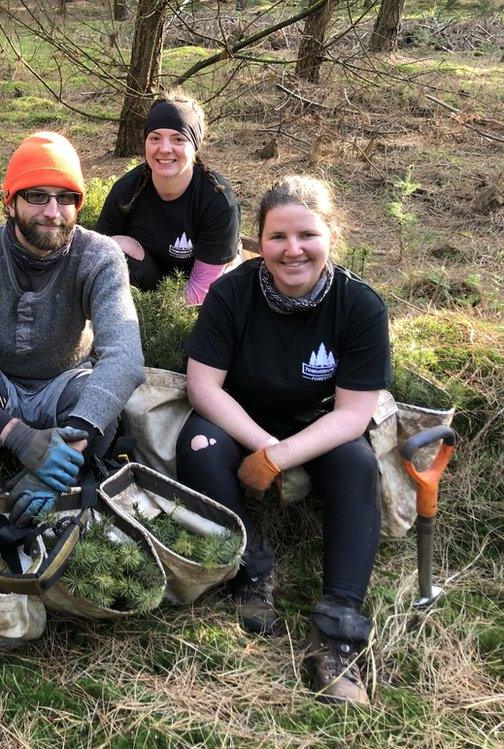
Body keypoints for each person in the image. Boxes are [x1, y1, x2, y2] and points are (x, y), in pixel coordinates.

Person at [175, 176, 391, 705]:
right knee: (197, 444)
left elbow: (353, 414)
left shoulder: (359, 306)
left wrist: (279, 457)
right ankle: (252, 569)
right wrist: (260, 443)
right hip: (240, 418)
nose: (293, 250)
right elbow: (204, 387)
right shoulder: (233, 293)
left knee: (358, 467)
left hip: (322, 426)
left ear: (330, 236)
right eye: (277, 237)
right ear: (260, 242)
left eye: (307, 235)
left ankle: (337, 629)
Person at [0, 132, 146, 527]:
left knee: (102, 395)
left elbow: (125, 358)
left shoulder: (100, 257)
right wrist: (18, 436)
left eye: (66, 197)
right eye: (37, 195)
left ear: (79, 203)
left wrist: (67, 446)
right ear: (10, 201)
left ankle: (61, 474)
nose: (52, 211)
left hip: (63, 383)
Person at [95, 95, 241, 304]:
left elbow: (202, 291)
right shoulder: (126, 191)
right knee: (115, 245)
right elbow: (96, 257)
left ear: (195, 146)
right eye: (155, 138)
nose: (164, 149)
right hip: (145, 282)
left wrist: (160, 321)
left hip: (198, 293)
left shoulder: (218, 201)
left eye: (178, 139)